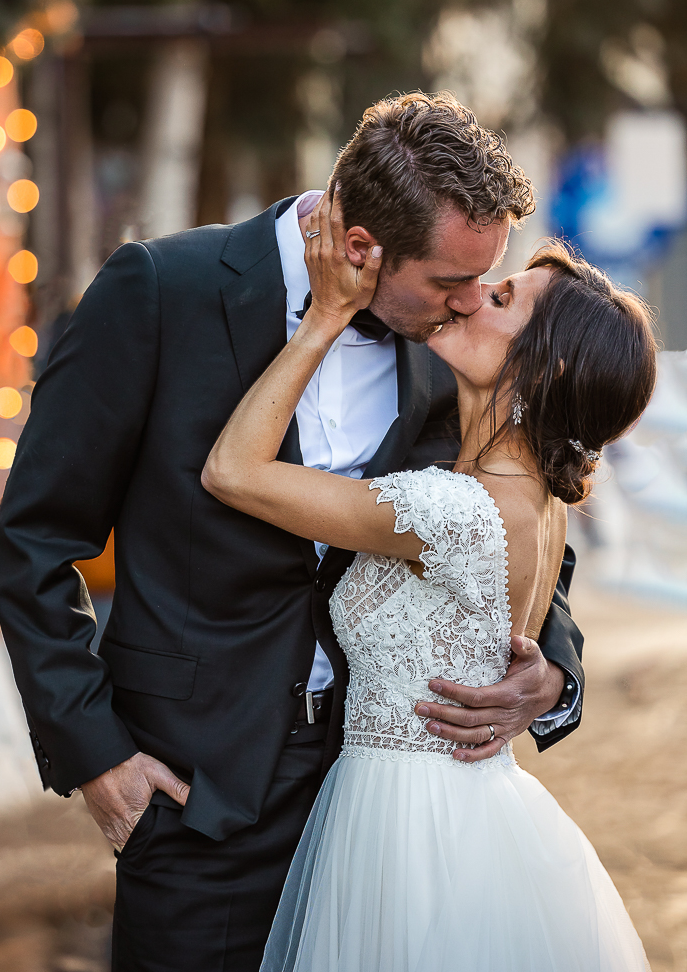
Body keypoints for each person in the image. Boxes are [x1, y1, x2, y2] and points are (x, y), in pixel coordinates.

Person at [0, 92, 585, 972]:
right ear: (359, 249)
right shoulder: (159, 291)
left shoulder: (449, 342)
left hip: (379, 798)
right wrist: (98, 756)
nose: (467, 307)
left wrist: (552, 669)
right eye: (449, 285)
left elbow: (503, 513)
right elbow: (36, 538)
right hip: (198, 793)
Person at [201, 187, 656, 971]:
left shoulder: (449, 509)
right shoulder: (535, 498)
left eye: (503, 295)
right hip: (465, 811)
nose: (476, 294)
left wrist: (323, 319)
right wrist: (548, 674)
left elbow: (233, 471)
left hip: (408, 827)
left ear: (540, 363)